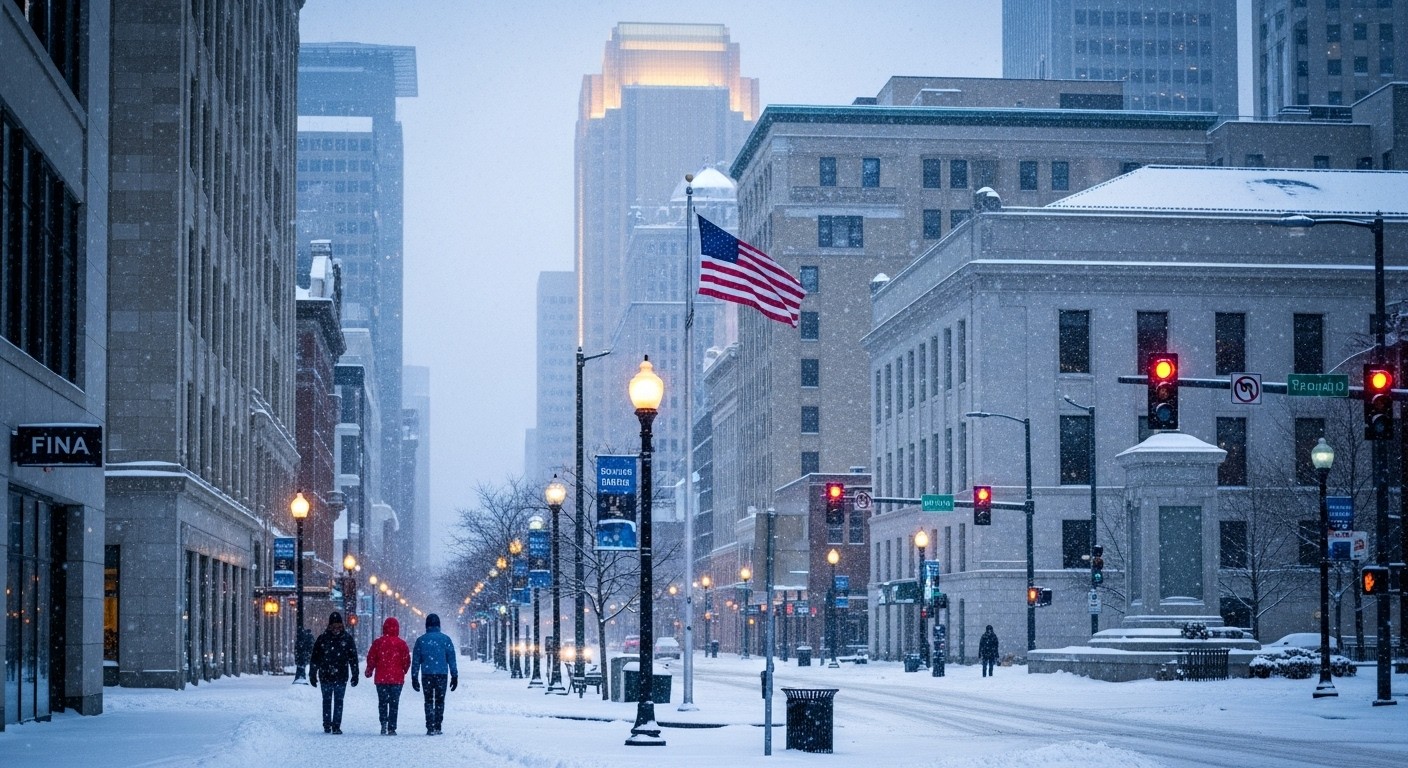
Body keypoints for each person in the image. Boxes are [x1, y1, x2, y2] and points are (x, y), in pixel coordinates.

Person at [309, 612, 360, 734]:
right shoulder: (345, 639)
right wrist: (312, 673)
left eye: (338, 626)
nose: (336, 629)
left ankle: (332, 725)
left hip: (332, 675)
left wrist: (355, 674)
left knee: (332, 701)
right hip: (334, 675)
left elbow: (353, 658)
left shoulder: (323, 638)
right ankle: (331, 725)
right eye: (334, 626)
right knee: (335, 701)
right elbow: (315, 658)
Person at [410, 613, 458, 735]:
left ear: (427, 625)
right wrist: (454, 675)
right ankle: (438, 725)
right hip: (442, 674)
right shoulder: (446, 639)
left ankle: (430, 726)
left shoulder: (421, 640)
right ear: (438, 625)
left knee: (428, 700)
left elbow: (416, 661)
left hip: (427, 674)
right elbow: (451, 659)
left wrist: (414, 677)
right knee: (440, 701)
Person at [364, 616, 411, 735]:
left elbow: (371, 657)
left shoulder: (378, 643)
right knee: (394, 703)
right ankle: (392, 727)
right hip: (397, 679)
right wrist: (403, 670)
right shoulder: (401, 644)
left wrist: (369, 670)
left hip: (381, 678)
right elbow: (406, 660)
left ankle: (383, 722)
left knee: (383, 702)